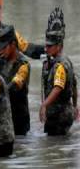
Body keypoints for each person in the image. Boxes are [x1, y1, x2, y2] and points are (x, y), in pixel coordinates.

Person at [39, 7, 78, 136]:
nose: (46, 48)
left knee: (54, 148)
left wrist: (44, 105)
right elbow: (74, 86)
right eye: (46, 45)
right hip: (64, 114)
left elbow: (58, 87)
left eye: (50, 46)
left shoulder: (60, 65)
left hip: (59, 116)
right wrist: (75, 106)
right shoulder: (65, 61)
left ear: (59, 46)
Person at [0, 25, 31, 135]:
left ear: (13, 44)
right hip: (4, 118)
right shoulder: (1, 60)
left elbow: (14, 87)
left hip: (18, 119)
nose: (2, 50)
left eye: (4, 47)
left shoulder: (23, 64)